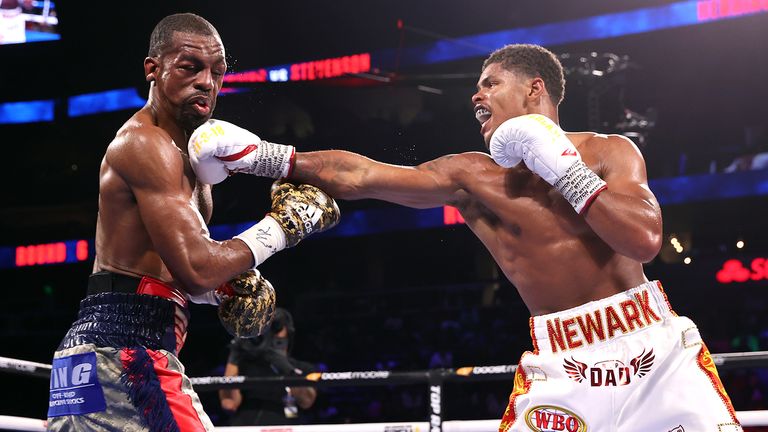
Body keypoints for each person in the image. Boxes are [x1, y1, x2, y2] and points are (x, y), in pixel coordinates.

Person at [191, 43, 742, 431]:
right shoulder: (472, 177)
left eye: (489, 83)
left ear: (534, 90)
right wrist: (262, 158)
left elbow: (645, 239)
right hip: (564, 363)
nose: (475, 97)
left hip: (653, 348)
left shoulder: (609, 152)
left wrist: (563, 170)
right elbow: (360, 175)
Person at [46, 13, 339, 432]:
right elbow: (196, 269)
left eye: (217, 73)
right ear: (153, 68)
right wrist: (282, 225)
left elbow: (168, 272)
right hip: (127, 352)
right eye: (190, 67)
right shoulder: (146, 144)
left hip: (98, 353)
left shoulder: (193, 161)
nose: (207, 82)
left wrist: (227, 289)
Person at [219, 308, 317, 426]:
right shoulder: (245, 365)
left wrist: (287, 370)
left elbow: (307, 401)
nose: (271, 337)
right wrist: (234, 356)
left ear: (288, 335)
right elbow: (229, 404)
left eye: (277, 330)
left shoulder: (302, 368)